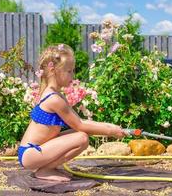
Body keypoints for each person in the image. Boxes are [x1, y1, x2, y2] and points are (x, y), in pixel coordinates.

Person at [18, 44, 126, 182]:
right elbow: (80, 125)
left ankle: (48, 168)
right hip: (31, 153)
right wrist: (111, 132)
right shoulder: (54, 99)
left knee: (82, 135)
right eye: (69, 71)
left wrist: (111, 126)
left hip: (34, 152)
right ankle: (45, 170)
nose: (73, 75)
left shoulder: (56, 94)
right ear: (53, 70)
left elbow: (80, 122)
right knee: (82, 137)